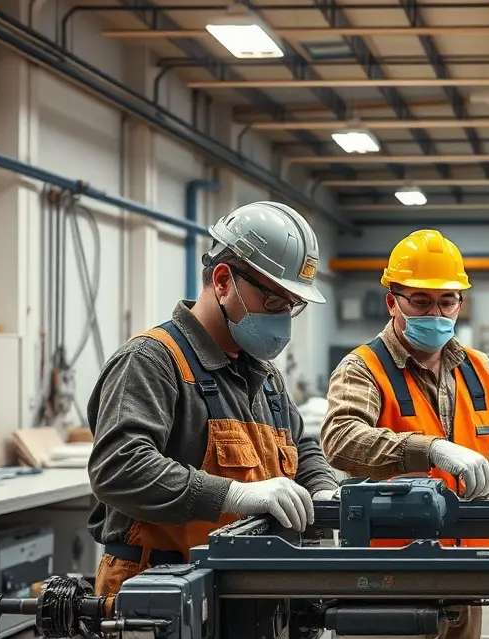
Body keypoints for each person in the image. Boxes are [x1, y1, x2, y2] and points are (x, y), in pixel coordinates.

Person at [86, 201, 340, 597]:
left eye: (293, 305)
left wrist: (323, 491)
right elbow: (119, 468)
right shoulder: (152, 361)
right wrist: (234, 495)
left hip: (243, 593)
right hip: (159, 593)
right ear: (223, 280)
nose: (283, 318)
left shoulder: (263, 373)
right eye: (274, 301)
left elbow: (300, 444)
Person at [320, 228, 489, 639]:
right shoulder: (362, 368)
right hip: (387, 576)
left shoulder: (480, 369)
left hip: (468, 571)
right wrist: (431, 449)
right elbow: (341, 438)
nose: (435, 313)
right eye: (420, 301)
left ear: (460, 302)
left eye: (447, 301)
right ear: (392, 301)